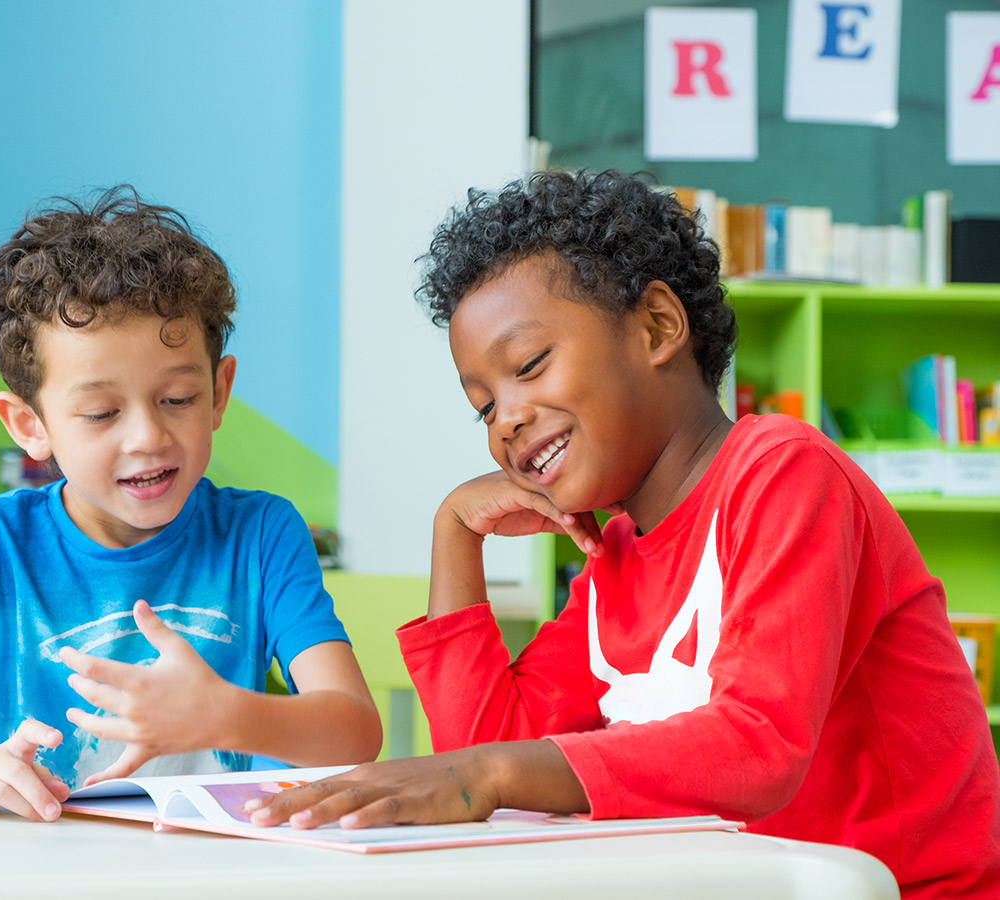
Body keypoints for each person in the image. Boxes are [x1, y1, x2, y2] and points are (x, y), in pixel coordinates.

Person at [246, 169, 1000, 897]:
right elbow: (485, 745)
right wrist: (454, 534)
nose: (506, 418)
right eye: (483, 407)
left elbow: (758, 746)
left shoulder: (787, 474)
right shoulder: (617, 558)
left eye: (530, 365)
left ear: (658, 326)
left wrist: (487, 775)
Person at [0, 186, 381, 823]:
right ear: (30, 425)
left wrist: (224, 714)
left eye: (177, 398)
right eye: (100, 413)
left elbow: (355, 732)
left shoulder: (260, 534)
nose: (147, 436)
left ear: (220, 391)